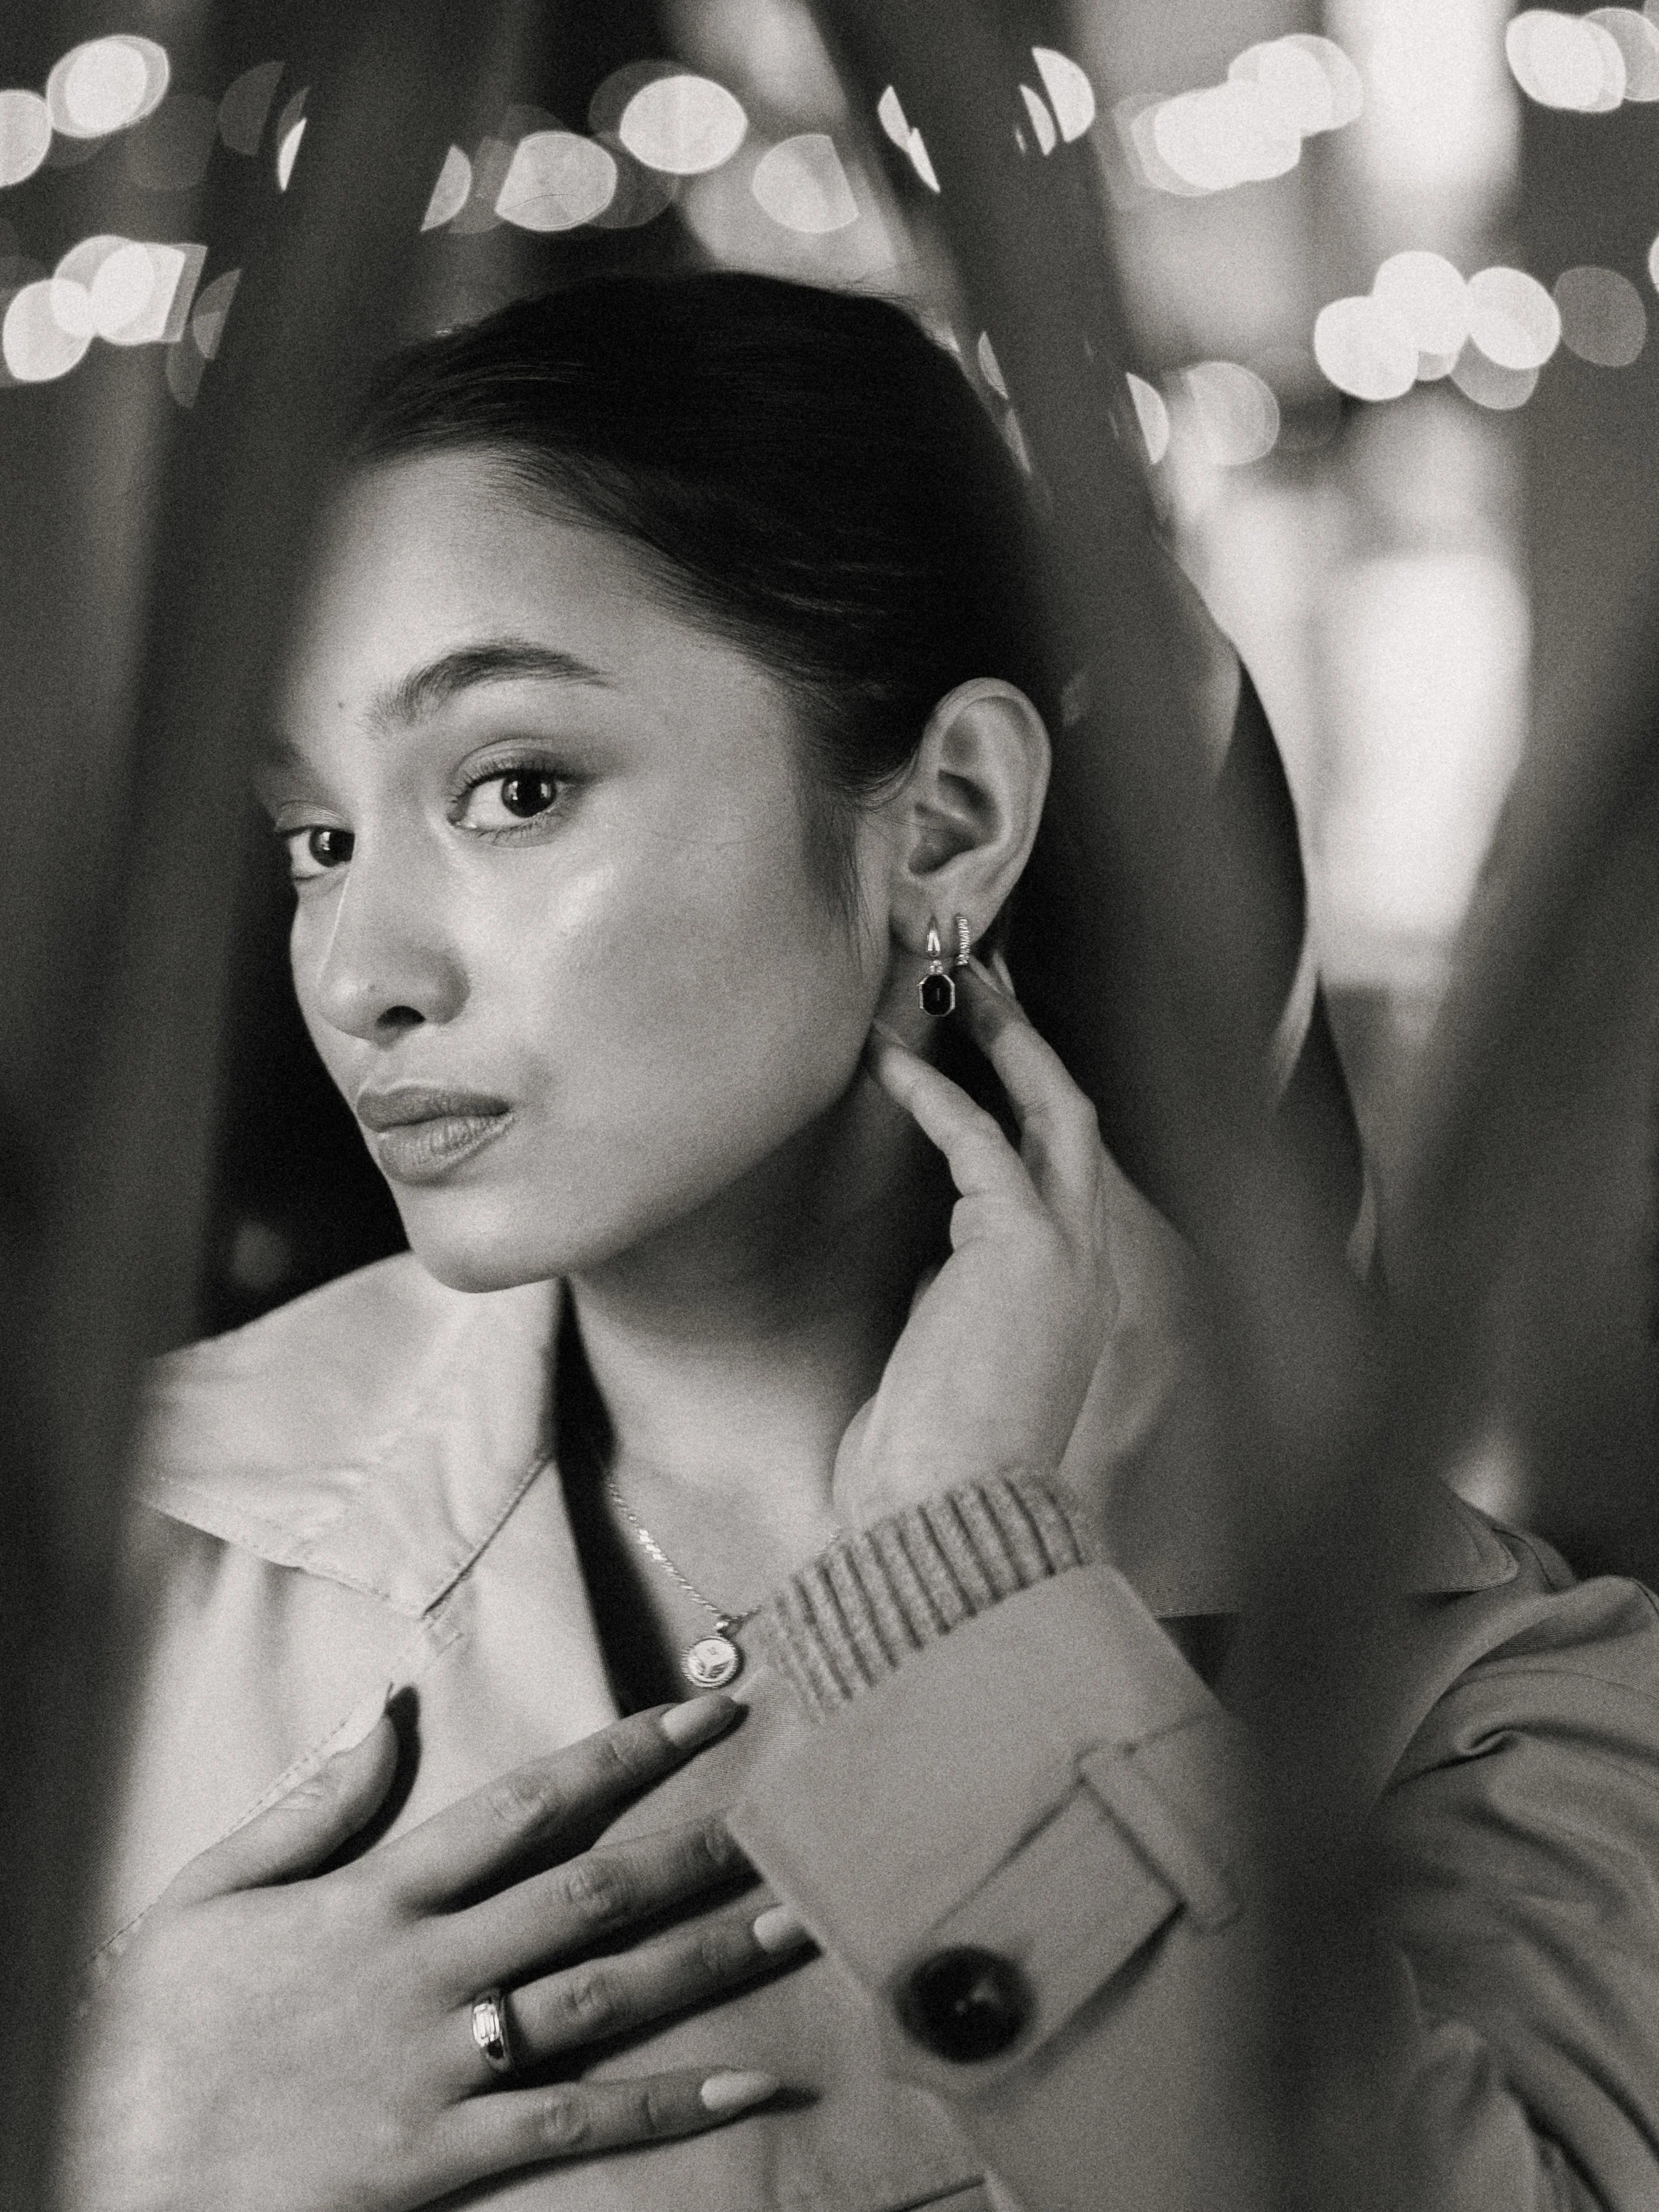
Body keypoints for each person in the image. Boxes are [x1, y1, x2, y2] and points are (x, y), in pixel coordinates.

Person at [56, 273, 1659, 2212]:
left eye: (511, 786)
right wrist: (120, 2145)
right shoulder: (107, 1562)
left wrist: (956, 1604)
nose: (358, 970)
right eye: (318, 836)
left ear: (947, 822)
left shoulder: (1462, 1687)